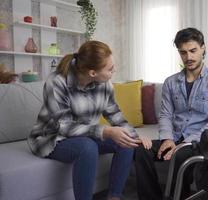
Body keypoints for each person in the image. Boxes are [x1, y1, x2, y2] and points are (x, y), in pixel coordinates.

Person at [27, 40, 152, 200]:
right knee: (88, 147)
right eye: (110, 69)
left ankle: (114, 196)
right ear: (93, 72)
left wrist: (134, 135)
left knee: (126, 141)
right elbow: (63, 127)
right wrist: (105, 131)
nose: (114, 71)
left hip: (85, 135)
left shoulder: (104, 84)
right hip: (52, 138)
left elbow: (114, 114)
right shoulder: (57, 82)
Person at [134, 27, 208, 199]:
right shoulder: (170, 82)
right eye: (183, 52)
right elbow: (165, 115)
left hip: (200, 141)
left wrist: (185, 143)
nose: (189, 57)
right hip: (175, 136)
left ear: (203, 48)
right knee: (141, 150)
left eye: (193, 51)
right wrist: (167, 138)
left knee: (180, 155)